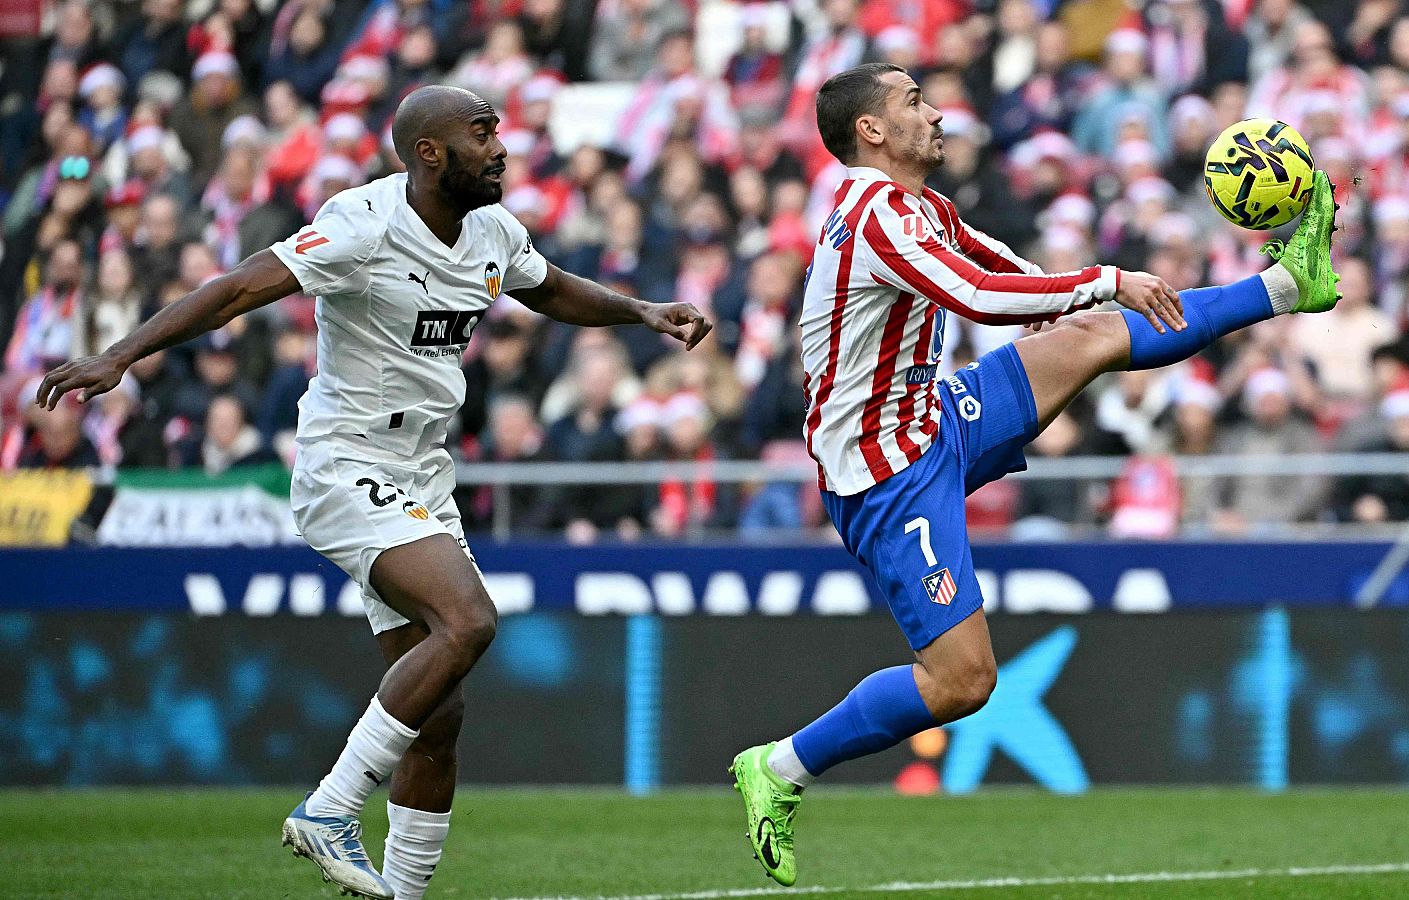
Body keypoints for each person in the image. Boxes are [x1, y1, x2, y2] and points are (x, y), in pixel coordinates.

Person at [35, 85, 710, 900]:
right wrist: (124, 353)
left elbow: (550, 287)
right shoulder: (361, 221)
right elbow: (242, 287)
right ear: (430, 153)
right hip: (347, 464)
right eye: (483, 133)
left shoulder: (492, 228)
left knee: (440, 719)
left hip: (424, 473)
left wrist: (640, 311)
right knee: (470, 619)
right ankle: (330, 809)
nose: (502, 148)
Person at [728, 62, 1341, 886]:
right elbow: (981, 297)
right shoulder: (872, 219)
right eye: (915, 101)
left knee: (1091, 334)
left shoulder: (921, 208)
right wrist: (1112, 279)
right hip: (885, 479)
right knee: (963, 681)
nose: (937, 112)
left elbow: (1021, 285)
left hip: (933, 421)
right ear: (870, 130)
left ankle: (1283, 285)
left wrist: (1096, 296)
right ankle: (780, 767)